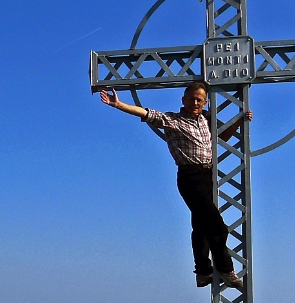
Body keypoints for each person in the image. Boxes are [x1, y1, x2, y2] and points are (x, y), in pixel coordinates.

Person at [99, 82, 252, 290]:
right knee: (217, 227)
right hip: (189, 177)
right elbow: (146, 113)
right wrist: (119, 105)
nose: (195, 102)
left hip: (208, 175)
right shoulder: (173, 120)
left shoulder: (207, 120)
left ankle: (203, 272)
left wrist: (238, 122)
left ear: (205, 102)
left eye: (199, 99)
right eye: (191, 98)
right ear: (183, 100)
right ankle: (226, 270)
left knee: (200, 226)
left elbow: (222, 137)